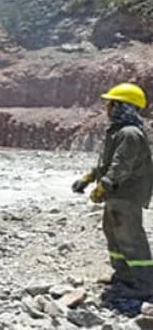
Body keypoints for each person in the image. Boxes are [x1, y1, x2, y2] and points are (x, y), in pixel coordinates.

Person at [72, 82, 153, 292]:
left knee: (130, 237)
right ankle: (123, 275)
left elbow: (120, 166)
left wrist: (104, 186)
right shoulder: (119, 132)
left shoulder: (130, 134)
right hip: (117, 194)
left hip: (126, 195)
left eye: (111, 104)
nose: (107, 108)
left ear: (123, 107)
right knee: (114, 234)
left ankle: (145, 283)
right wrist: (89, 177)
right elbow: (107, 163)